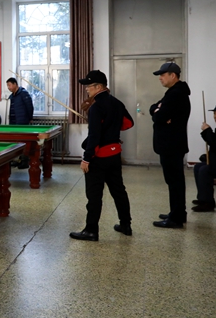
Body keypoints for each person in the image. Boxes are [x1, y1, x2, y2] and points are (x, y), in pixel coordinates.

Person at [69, 70, 134, 241]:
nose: (86, 89)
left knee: (94, 195)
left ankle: (91, 230)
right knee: (118, 191)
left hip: (98, 157)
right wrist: (112, 129)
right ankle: (126, 225)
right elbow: (128, 123)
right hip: (114, 154)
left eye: (89, 86)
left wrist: (86, 159)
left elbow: (94, 137)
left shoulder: (96, 107)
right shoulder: (117, 103)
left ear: (99, 87)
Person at [149, 62, 191, 229]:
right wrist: (157, 110)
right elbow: (154, 108)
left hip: (171, 144)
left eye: (163, 75)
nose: (160, 78)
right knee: (174, 181)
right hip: (171, 144)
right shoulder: (173, 92)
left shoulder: (176, 94)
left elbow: (159, 117)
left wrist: (159, 113)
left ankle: (176, 218)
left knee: (175, 182)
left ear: (173, 75)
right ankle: (178, 212)